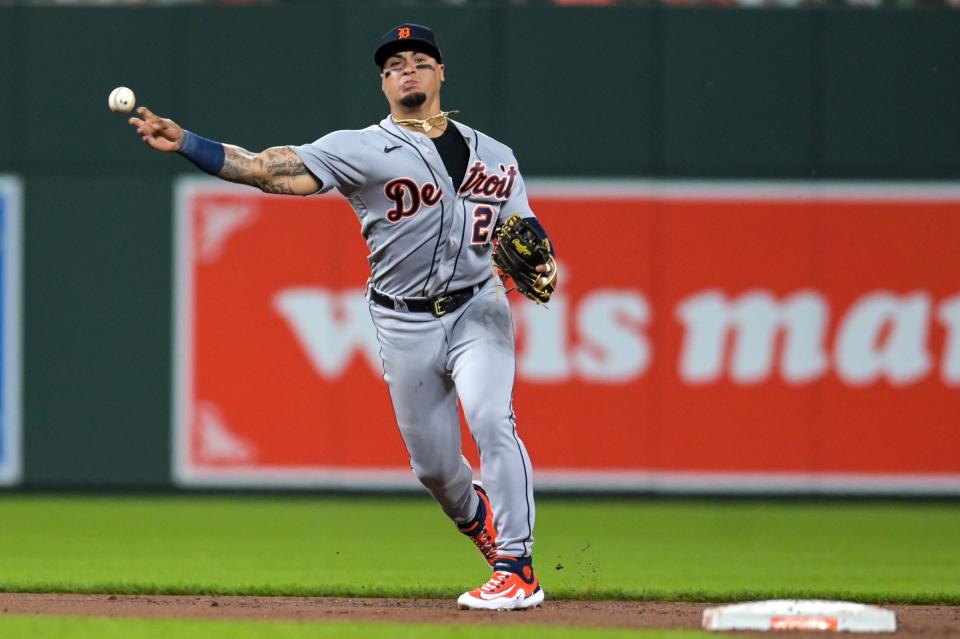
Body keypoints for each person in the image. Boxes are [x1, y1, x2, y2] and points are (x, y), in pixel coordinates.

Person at [128, 23, 554, 611]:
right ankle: (481, 519)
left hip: (479, 309)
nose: (407, 69)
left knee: (490, 416)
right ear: (383, 83)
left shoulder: (497, 156)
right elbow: (264, 169)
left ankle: (517, 566)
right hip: (402, 322)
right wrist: (188, 144)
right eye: (394, 64)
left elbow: (525, 229)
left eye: (420, 60)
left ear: (441, 73)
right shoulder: (358, 148)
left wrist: (539, 250)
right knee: (434, 468)